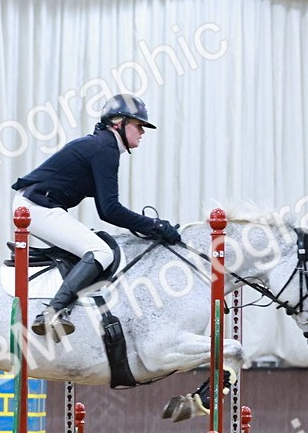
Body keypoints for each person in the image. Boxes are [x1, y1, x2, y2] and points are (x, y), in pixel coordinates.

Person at [11, 93, 182, 337]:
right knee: (100, 251)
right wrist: (155, 226)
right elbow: (109, 210)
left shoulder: (103, 145)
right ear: (118, 123)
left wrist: (150, 225)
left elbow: (107, 207)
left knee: (94, 246)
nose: (142, 132)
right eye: (139, 125)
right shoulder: (105, 148)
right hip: (35, 208)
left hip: (38, 205)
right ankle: (54, 312)